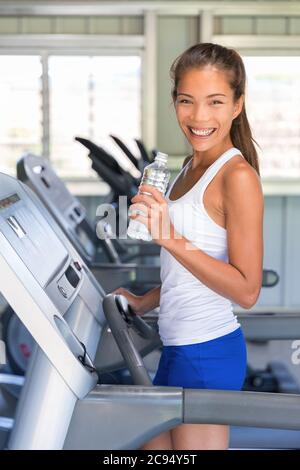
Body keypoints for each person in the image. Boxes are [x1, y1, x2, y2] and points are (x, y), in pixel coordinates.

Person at [114, 43, 263, 450]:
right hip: (178, 347)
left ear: (237, 105)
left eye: (215, 102)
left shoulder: (237, 177)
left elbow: (247, 290)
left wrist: (170, 238)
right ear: (174, 102)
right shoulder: (187, 167)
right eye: (186, 101)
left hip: (207, 354)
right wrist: (145, 301)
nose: (198, 117)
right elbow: (190, 272)